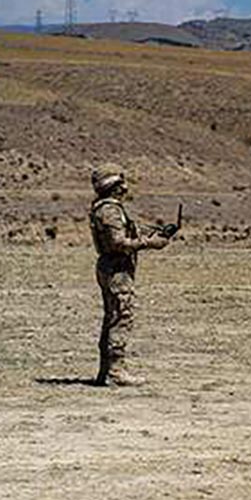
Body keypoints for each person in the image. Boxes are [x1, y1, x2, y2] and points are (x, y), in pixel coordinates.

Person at [88, 164, 175, 387]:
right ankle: (115, 372)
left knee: (113, 316)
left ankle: (107, 371)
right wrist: (150, 243)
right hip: (116, 269)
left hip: (113, 267)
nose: (125, 188)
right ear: (112, 186)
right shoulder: (109, 210)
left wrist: (152, 234)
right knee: (121, 316)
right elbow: (118, 243)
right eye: (120, 184)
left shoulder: (106, 208)